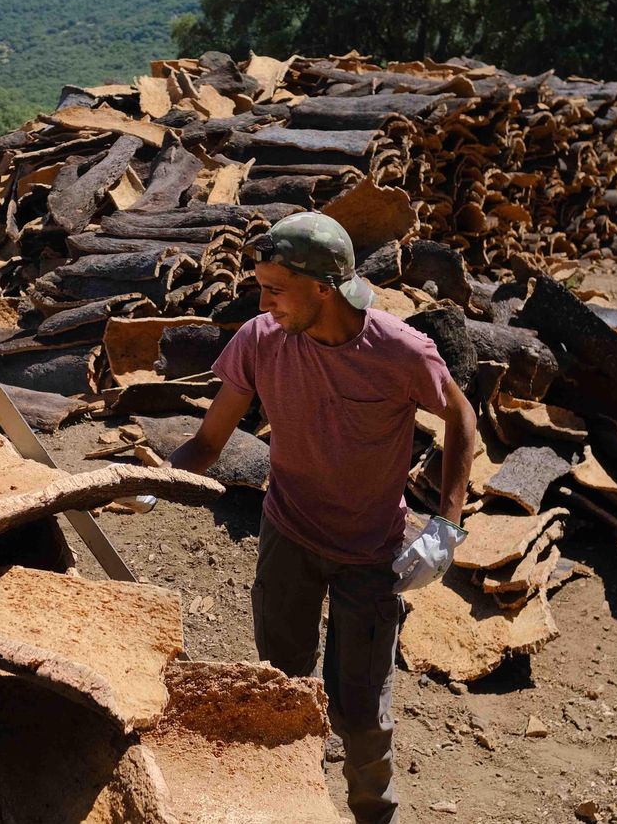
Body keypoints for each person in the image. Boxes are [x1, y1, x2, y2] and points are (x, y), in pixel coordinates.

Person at [169, 212, 477, 824]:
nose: (263, 302)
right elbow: (208, 442)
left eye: (275, 288)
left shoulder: (399, 351)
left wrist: (445, 525)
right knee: (281, 691)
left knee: (360, 715)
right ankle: (292, 805)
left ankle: (371, 813)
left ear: (323, 287)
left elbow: (460, 418)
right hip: (289, 536)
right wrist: (156, 482)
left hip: (370, 551)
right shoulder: (261, 339)